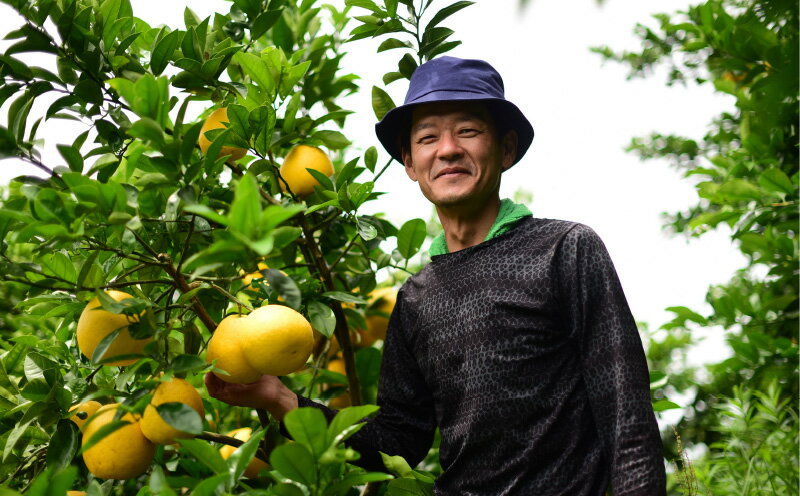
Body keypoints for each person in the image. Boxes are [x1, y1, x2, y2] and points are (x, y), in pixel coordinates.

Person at [206, 56, 666, 495]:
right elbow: (397, 441)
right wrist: (280, 398)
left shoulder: (564, 249)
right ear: (410, 164)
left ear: (505, 149)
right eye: (428, 138)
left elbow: (624, 407)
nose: (448, 150)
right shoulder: (416, 299)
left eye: (468, 131)